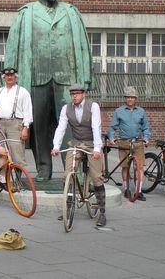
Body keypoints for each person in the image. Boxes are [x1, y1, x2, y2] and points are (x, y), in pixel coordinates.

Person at [4, 0, 93, 181]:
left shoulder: (70, 12)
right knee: (39, 127)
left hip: (66, 79)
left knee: (72, 125)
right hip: (36, 78)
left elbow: (83, 46)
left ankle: (73, 170)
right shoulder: (26, 13)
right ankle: (44, 170)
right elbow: (12, 47)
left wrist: (85, 76)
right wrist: (10, 75)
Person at [50, 84, 106, 226]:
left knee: (96, 176)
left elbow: (96, 126)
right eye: (72, 94)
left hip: (91, 144)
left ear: (83, 94)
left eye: (77, 93)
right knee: (68, 173)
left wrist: (98, 149)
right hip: (75, 143)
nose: (74, 96)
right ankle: (67, 208)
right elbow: (61, 128)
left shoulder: (93, 107)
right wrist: (56, 146)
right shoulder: (66, 108)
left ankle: (102, 212)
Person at [106, 86, 151, 201]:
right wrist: (111, 138)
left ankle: (138, 191)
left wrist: (146, 138)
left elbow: (146, 127)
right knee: (125, 167)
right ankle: (126, 189)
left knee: (139, 167)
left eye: (132, 97)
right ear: (125, 98)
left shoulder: (141, 111)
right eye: (128, 97)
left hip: (137, 142)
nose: (130, 99)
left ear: (135, 98)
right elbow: (112, 127)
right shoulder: (119, 111)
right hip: (124, 142)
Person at [0, 67, 33, 169]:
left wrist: (25, 128)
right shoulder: (0, 91)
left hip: (15, 124)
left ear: (15, 77)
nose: (9, 77)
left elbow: (28, 111)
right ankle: (3, 181)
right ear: (4, 77)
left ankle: (18, 181)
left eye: (11, 75)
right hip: (1, 123)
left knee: (17, 155)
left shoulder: (22, 91)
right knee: (2, 153)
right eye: (7, 75)